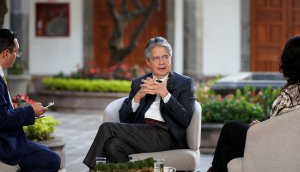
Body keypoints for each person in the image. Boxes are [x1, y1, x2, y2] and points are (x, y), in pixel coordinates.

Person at [83, 36, 196, 169]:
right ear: (148, 62)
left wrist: (165, 94)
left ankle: (92, 170)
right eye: (156, 58)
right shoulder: (139, 83)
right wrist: (138, 96)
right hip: (141, 132)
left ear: (171, 58)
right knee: (113, 145)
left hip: (167, 135)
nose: (162, 62)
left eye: (165, 57)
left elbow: (185, 119)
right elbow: (124, 118)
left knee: (106, 127)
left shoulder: (184, 83)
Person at [207, 35, 300, 172]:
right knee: (227, 152)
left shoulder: (295, 90)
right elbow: (284, 120)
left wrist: (261, 128)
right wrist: (262, 126)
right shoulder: (295, 87)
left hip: (278, 145)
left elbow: (286, 122)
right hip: (277, 139)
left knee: (230, 128)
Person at [0, 28, 61, 171]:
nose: (17, 55)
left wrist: (29, 112)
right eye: (16, 52)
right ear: (6, 53)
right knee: (52, 161)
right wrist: (30, 111)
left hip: (12, 139)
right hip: (5, 144)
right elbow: (2, 117)